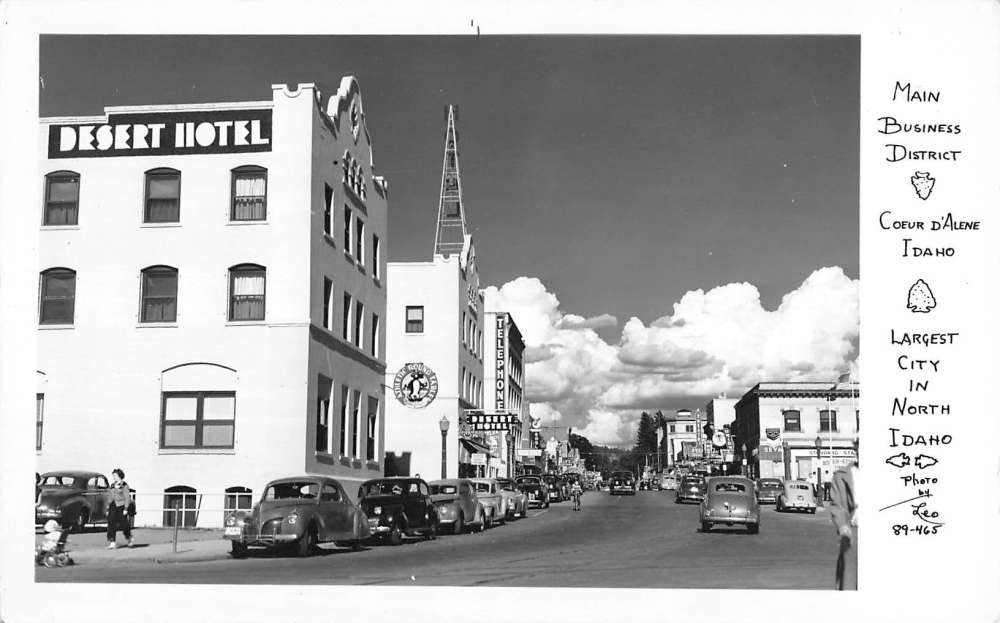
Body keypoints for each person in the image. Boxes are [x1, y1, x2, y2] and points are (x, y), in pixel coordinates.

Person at [829, 442, 858, 590]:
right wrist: (842, 525)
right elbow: (837, 504)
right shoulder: (843, 475)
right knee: (849, 581)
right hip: (854, 532)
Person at [107, 468, 134, 549]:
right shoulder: (112, 485)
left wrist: (126, 508)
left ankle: (129, 538)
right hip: (113, 505)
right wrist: (108, 506)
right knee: (111, 523)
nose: (114, 477)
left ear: (119, 476)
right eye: (113, 476)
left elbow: (127, 498)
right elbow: (110, 496)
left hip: (121, 505)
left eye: (115, 475)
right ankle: (112, 541)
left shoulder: (124, 485)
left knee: (124, 524)